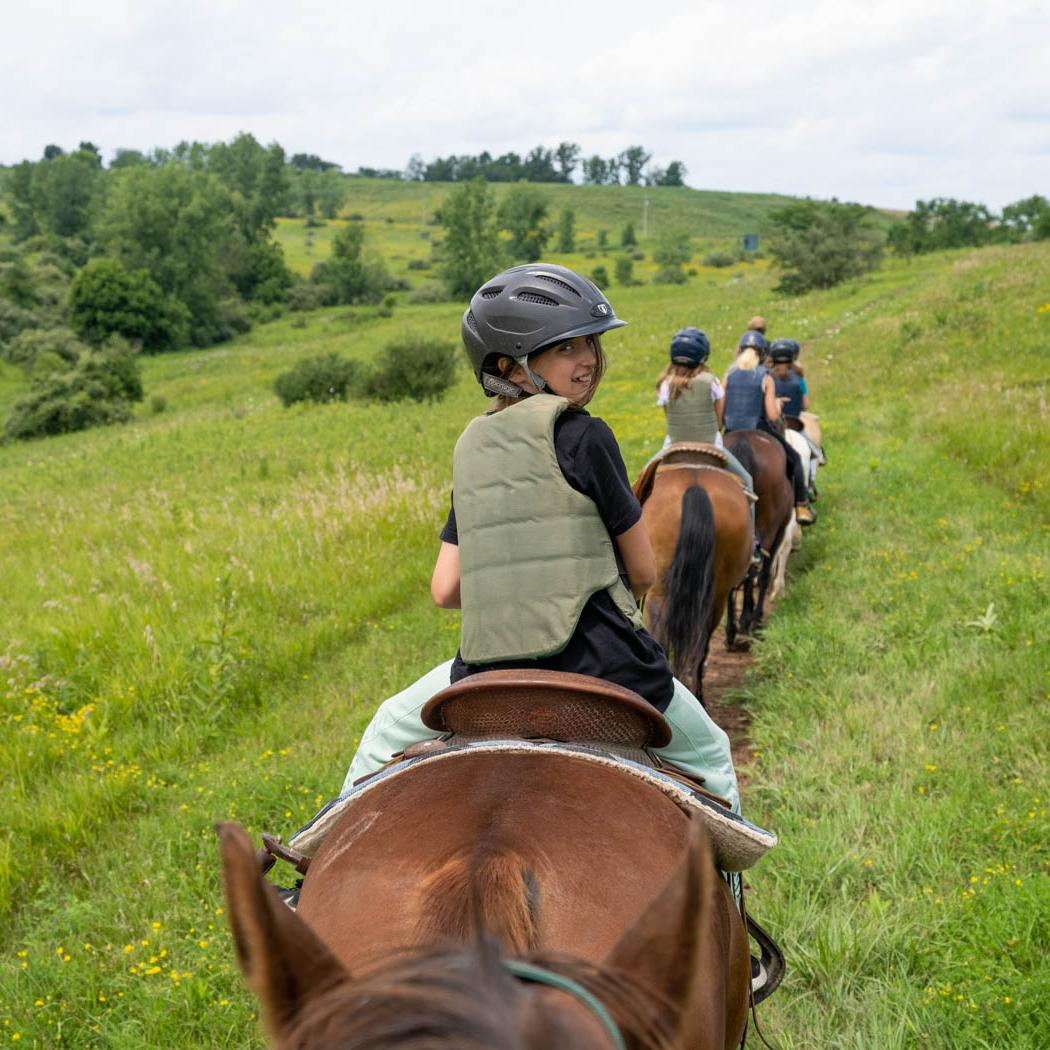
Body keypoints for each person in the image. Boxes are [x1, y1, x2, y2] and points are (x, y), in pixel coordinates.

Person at [341, 263, 739, 811]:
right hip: (608, 663)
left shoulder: (470, 448)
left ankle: (306, 871)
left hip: (489, 673)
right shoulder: (587, 434)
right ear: (509, 365)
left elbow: (445, 589)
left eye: (590, 344)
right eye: (565, 348)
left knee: (386, 729)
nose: (588, 361)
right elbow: (644, 572)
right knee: (714, 754)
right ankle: (733, 891)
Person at [723, 339, 816, 525]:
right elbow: (773, 416)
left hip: (731, 430)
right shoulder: (765, 376)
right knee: (795, 459)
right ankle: (801, 506)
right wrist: (778, 405)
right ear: (764, 354)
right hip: (758, 428)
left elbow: (721, 410)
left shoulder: (728, 375)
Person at [655, 326, 755, 496]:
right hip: (711, 446)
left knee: (642, 480)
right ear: (703, 356)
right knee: (748, 480)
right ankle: (751, 523)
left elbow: (669, 417)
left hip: (673, 446)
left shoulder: (666, 384)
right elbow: (718, 421)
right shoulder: (712, 382)